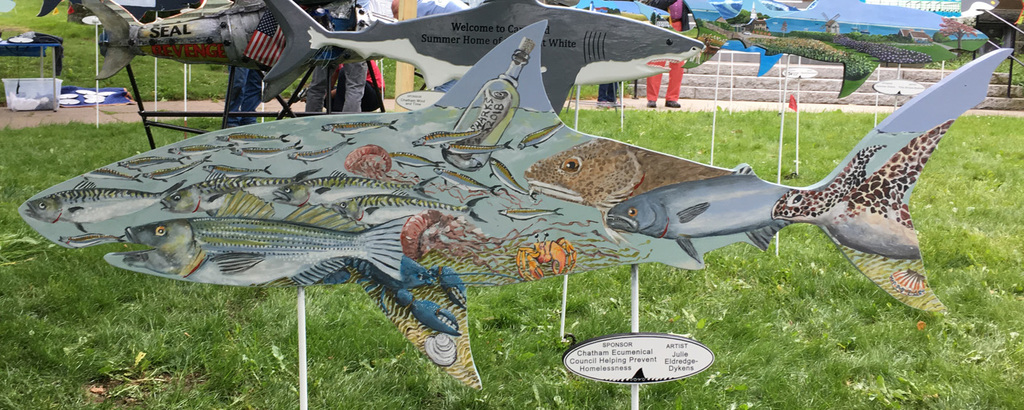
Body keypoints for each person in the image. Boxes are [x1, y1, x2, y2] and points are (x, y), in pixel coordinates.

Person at [392, 0, 469, 92]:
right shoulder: (426, 4)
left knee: (445, 92)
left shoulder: (412, 12)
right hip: (475, 32)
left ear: (400, 11)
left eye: (396, 16)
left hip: (463, 41)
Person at [645, 0, 688, 109]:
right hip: (662, 26)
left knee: (678, 65)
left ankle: (672, 98)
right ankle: (652, 98)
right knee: (656, 62)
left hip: (679, 26)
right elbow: (655, 5)